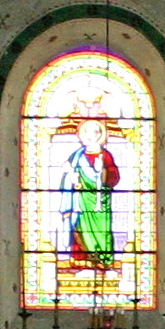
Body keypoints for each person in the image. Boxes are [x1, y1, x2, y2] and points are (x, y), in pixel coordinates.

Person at [59, 117, 119, 276]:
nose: (89, 135)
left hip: (99, 201)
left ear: (100, 135)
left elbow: (114, 178)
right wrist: (70, 176)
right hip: (80, 201)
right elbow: (66, 179)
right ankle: (84, 264)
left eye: (94, 132)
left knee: (101, 231)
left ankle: (102, 263)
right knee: (80, 228)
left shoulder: (105, 155)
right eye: (86, 132)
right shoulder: (76, 156)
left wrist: (102, 171)